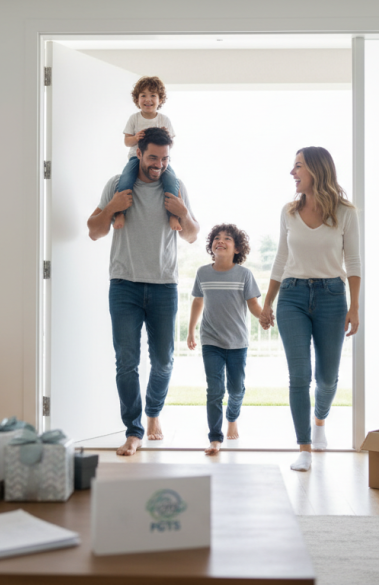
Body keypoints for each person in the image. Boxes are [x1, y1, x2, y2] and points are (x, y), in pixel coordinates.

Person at [86, 126, 200, 457]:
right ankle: (133, 431)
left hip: (164, 285)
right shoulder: (117, 185)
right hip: (124, 285)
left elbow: (192, 235)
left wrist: (183, 214)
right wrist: (111, 208)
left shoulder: (175, 187)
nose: (159, 165)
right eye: (153, 158)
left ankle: (153, 413)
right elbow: (94, 232)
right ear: (138, 153)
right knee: (126, 362)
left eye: (165, 159)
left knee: (163, 361)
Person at [259, 147, 361, 472]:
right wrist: (267, 303)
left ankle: (320, 421)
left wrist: (355, 305)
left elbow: (354, 261)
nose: (293, 172)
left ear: (316, 170)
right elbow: (280, 258)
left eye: (298, 166)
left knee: (327, 378)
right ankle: (304, 447)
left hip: (333, 296)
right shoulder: (288, 212)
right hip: (292, 296)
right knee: (299, 375)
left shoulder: (345, 212)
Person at [186, 224, 264, 456]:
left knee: (236, 388)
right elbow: (198, 302)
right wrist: (191, 331)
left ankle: (232, 418)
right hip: (211, 341)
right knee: (214, 390)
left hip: (238, 343)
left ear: (237, 247)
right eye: (216, 238)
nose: (220, 241)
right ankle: (215, 438)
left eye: (227, 238)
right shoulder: (202, 273)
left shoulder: (244, 274)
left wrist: (264, 316)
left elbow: (253, 304)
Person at [112, 76, 182, 232]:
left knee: (171, 180)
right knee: (125, 179)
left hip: (160, 160)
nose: (148, 99)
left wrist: (167, 137)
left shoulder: (164, 120)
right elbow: (127, 141)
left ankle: (173, 215)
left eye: (153, 95)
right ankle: (119, 213)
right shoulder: (134, 119)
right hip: (136, 159)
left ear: (160, 99)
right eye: (143, 95)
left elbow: (171, 145)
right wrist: (136, 137)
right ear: (137, 99)